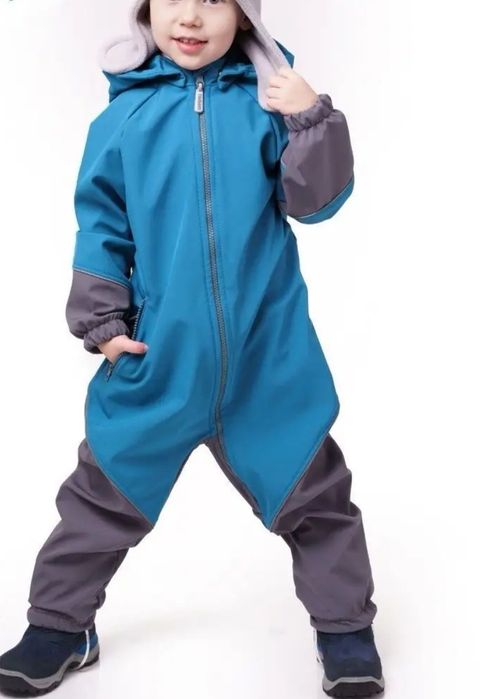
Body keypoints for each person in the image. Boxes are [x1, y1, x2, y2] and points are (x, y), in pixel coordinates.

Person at [0, 1, 385, 697]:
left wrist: (310, 118)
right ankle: (59, 624)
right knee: (99, 499)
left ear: (243, 15)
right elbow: (101, 225)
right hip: (159, 360)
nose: (191, 17)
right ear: (146, 9)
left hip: (266, 362)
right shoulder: (122, 119)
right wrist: (100, 319)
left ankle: (344, 629)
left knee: (317, 498)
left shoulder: (266, 104)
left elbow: (317, 202)